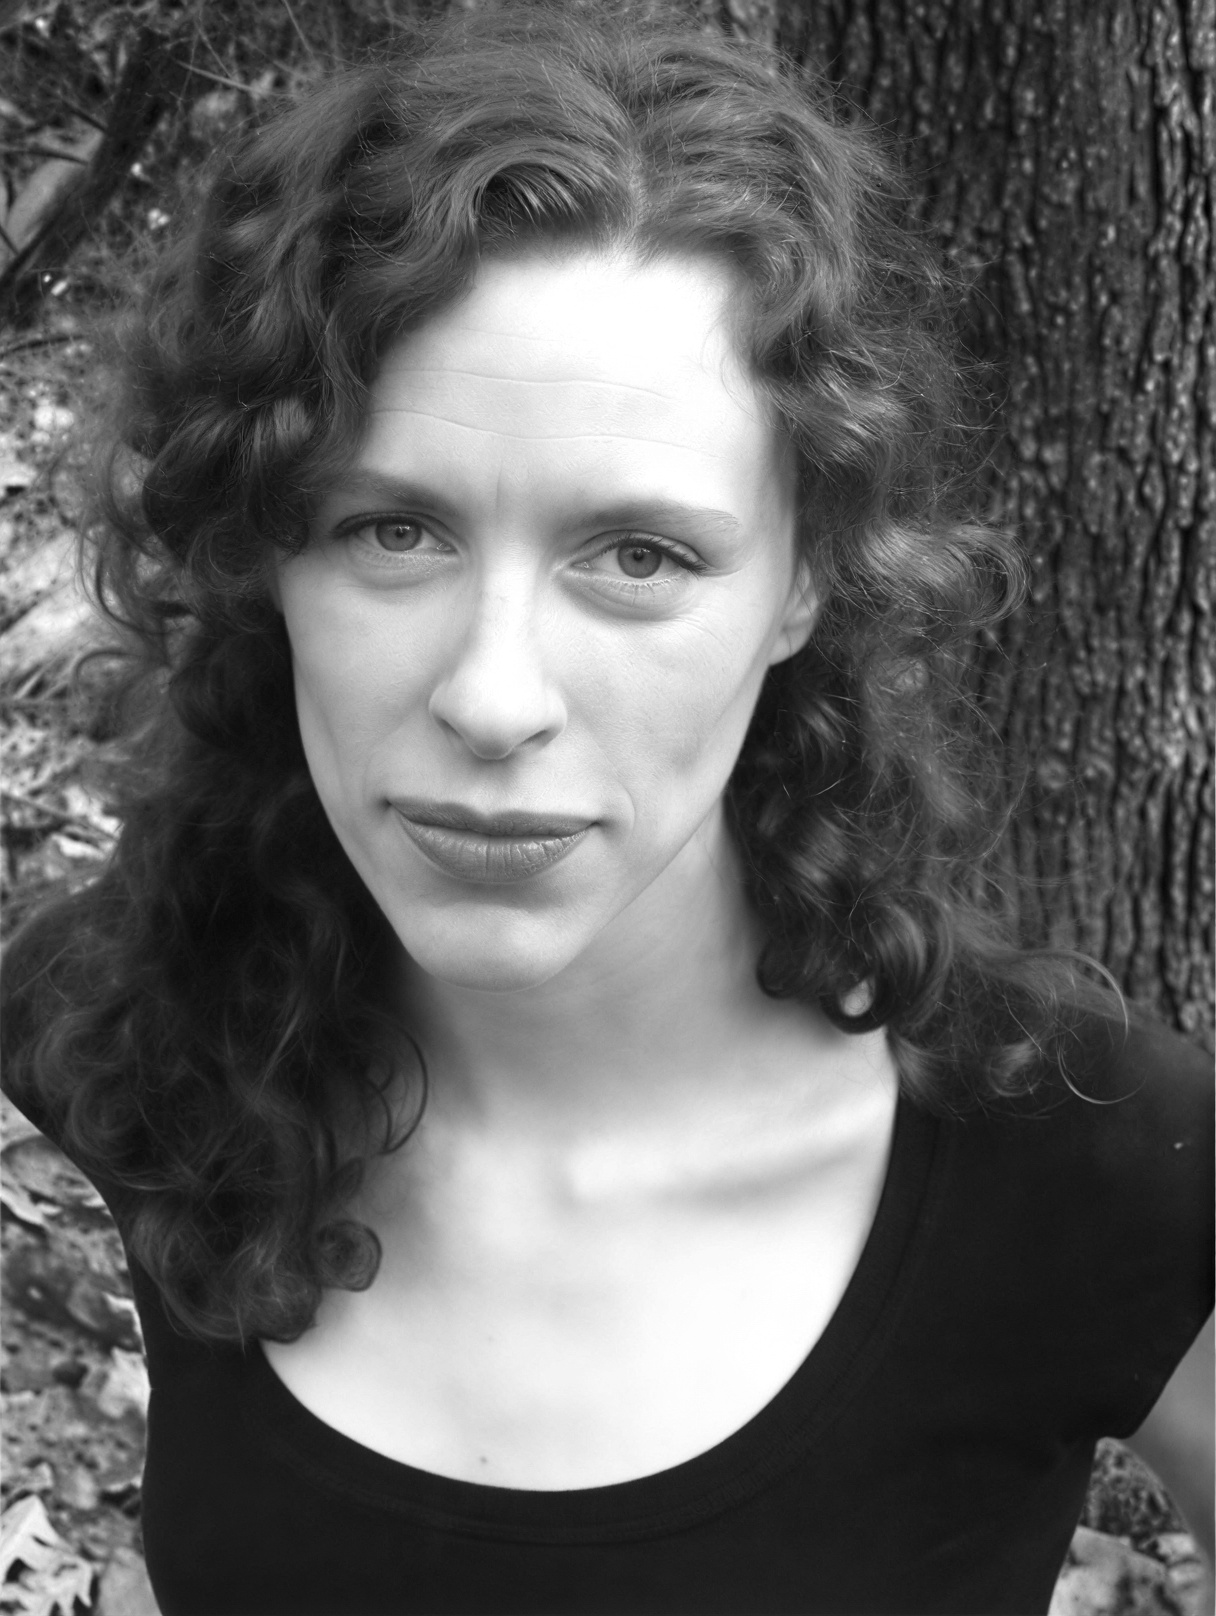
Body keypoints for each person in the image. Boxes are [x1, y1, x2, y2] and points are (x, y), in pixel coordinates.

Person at [2, 8, 1211, 1614]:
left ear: (805, 591)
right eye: (391, 531)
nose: (495, 695)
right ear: (268, 554)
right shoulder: (143, 1031)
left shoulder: (1102, 1171)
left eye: (640, 555)